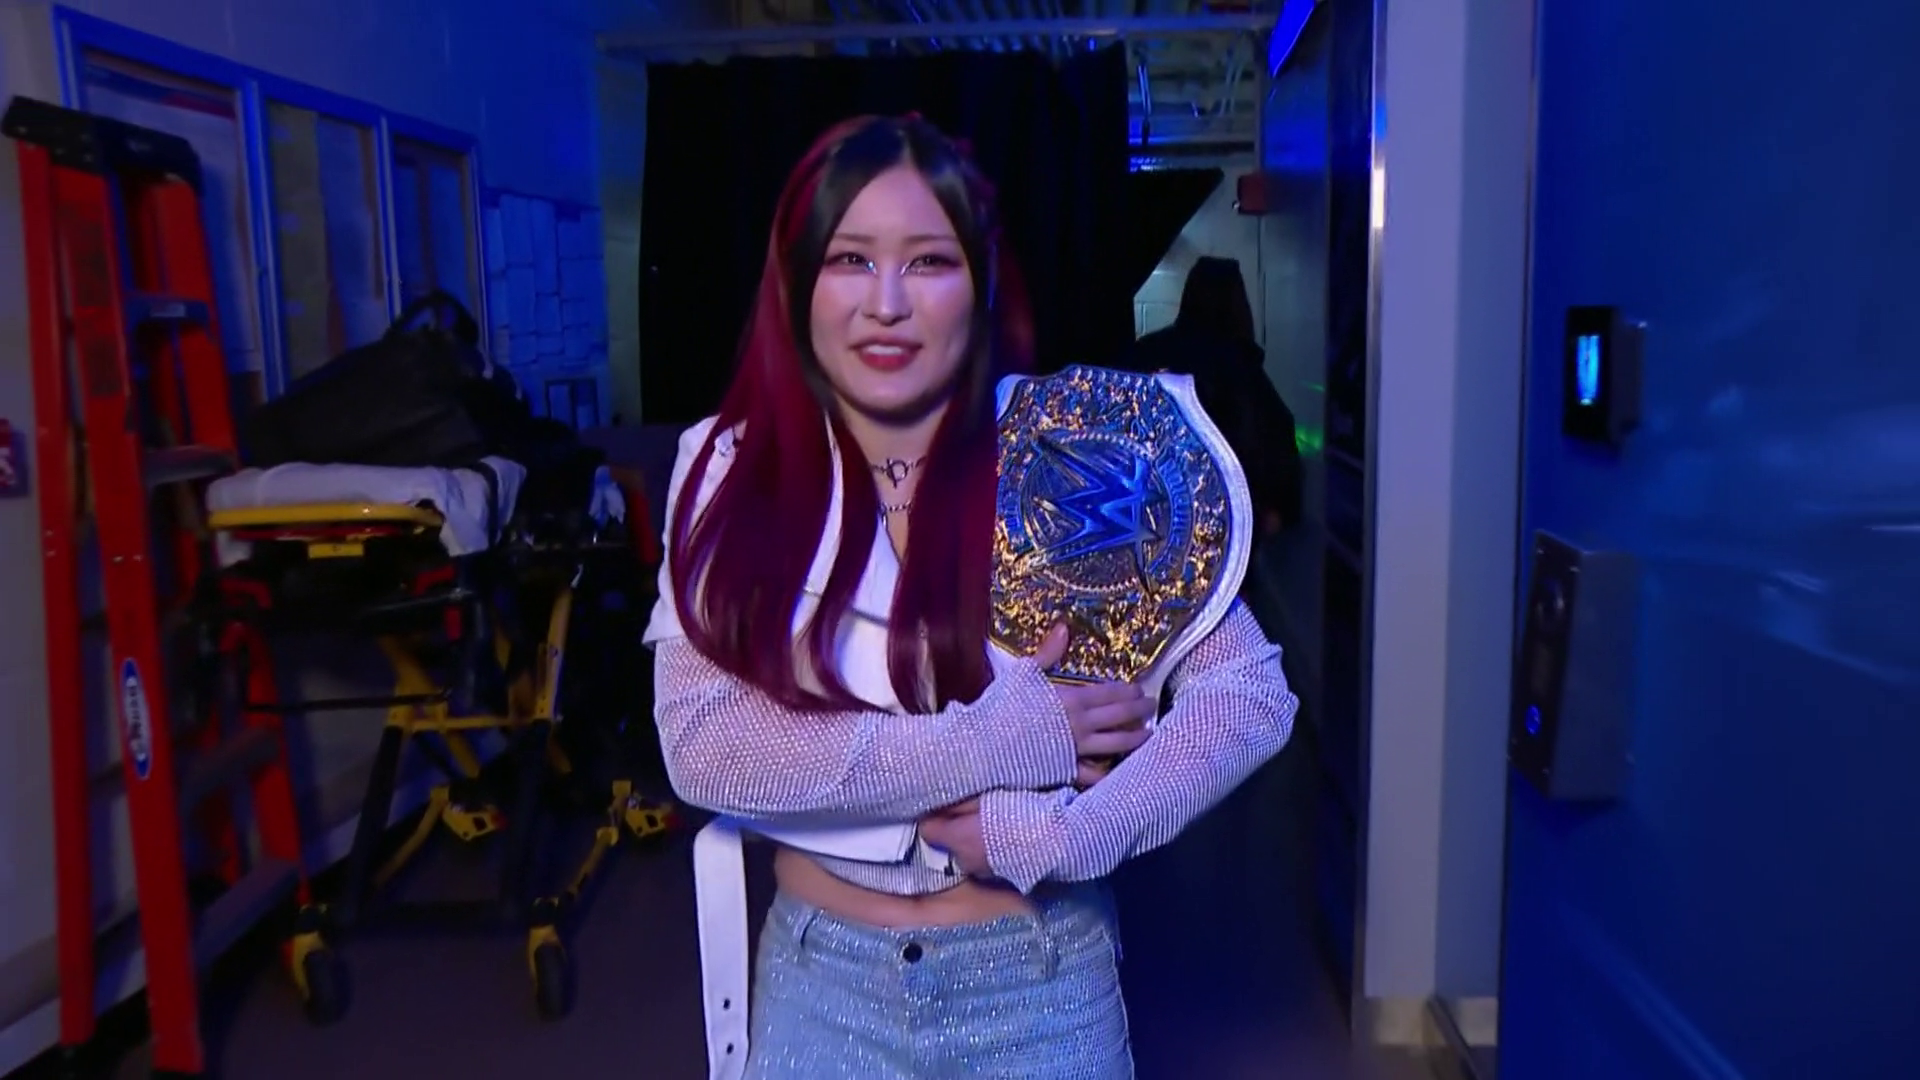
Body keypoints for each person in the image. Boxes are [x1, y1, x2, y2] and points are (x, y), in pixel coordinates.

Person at [643, 114, 1299, 1079]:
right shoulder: (729, 469)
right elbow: (707, 746)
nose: (888, 303)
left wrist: (1064, 836)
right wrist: (998, 742)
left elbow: (1249, 697)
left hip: (1040, 985)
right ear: (797, 279)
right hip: (821, 993)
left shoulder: (1079, 450)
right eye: (851, 260)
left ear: (982, 281)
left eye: (929, 261)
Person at [1112, 256, 1304, 540]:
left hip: (1149, 514)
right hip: (1222, 521)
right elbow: (1274, 438)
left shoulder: (1147, 352)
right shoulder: (1240, 365)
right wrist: (1278, 509)